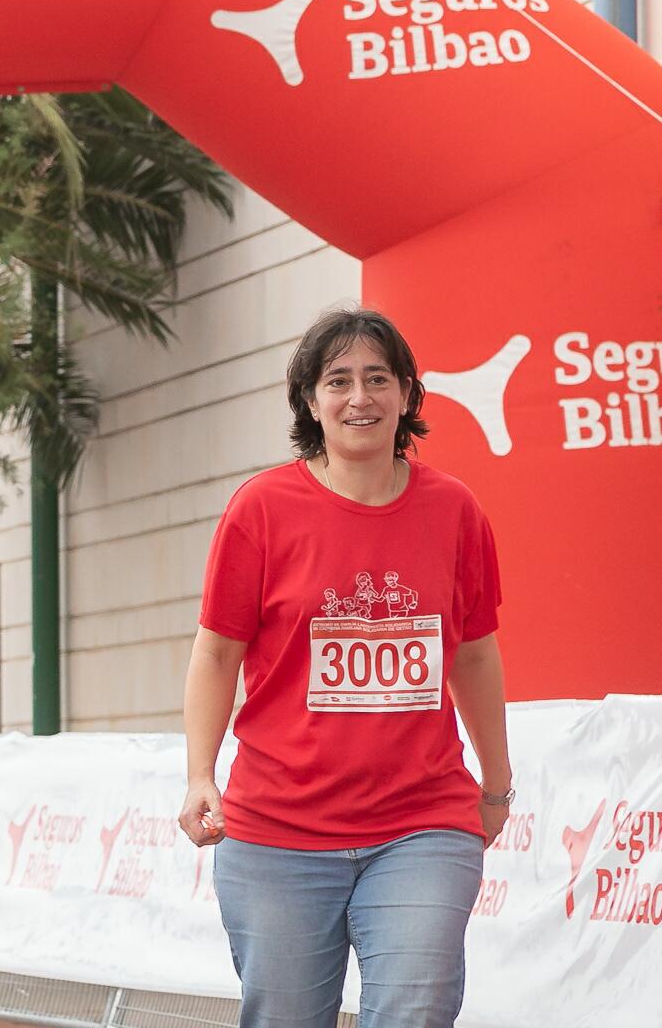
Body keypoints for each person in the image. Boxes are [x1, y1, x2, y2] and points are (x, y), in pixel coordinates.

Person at [177, 306, 512, 1028]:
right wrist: (201, 774)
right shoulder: (261, 509)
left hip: (422, 821)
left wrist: (497, 783)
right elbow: (216, 653)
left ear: (406, 395)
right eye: (338, 381)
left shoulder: (455, 510)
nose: (359, 398)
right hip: (277, 832)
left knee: (416, 1006)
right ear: (309, 399)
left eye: (377, 379)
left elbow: (476, 654)